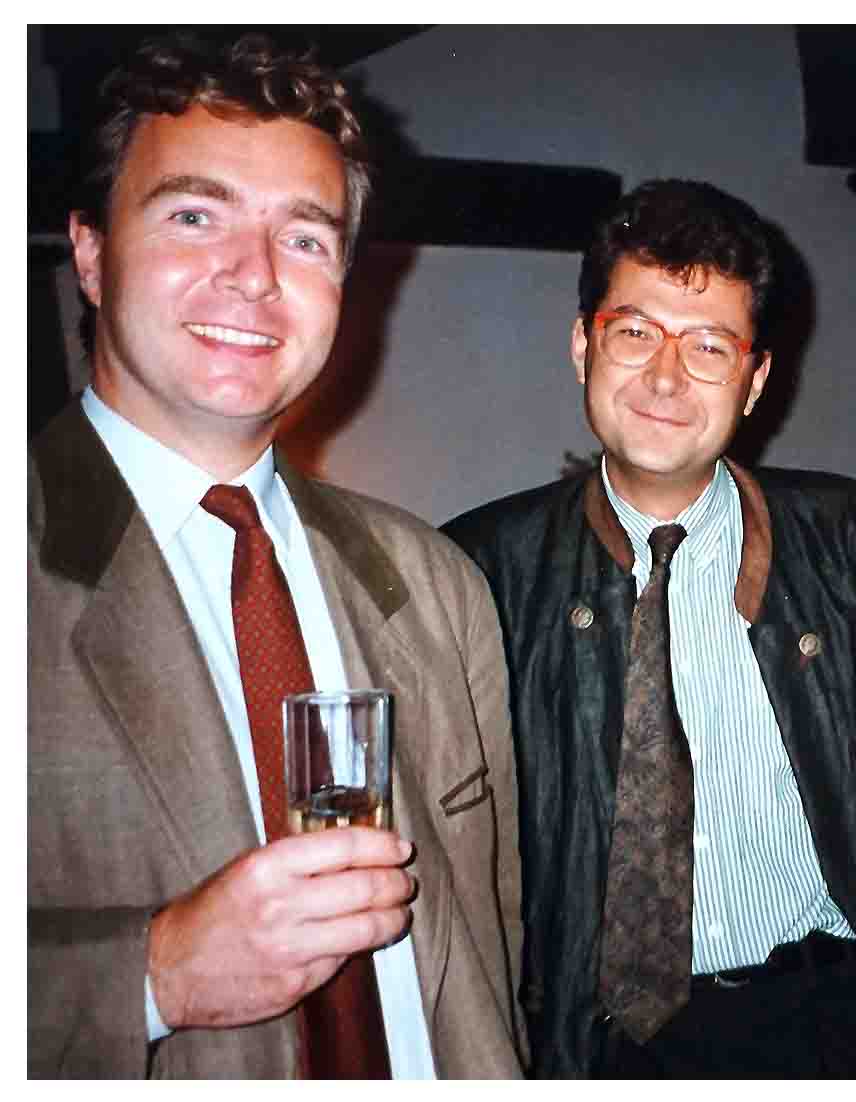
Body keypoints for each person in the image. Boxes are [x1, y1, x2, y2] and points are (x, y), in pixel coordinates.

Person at [28, 33, 526, 1078]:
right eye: (194, 215)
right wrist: (148, 976)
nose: (253, 276)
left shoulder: (436, 583)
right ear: (90, 251)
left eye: (303, 238)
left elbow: (492, 946)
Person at [443, 179, 856, 1078]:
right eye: (635, 332)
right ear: (583, 344)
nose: (666, 377)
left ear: (755, 381)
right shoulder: (473, 575)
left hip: (837, 1022)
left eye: (710, 346)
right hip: (590, 1044)